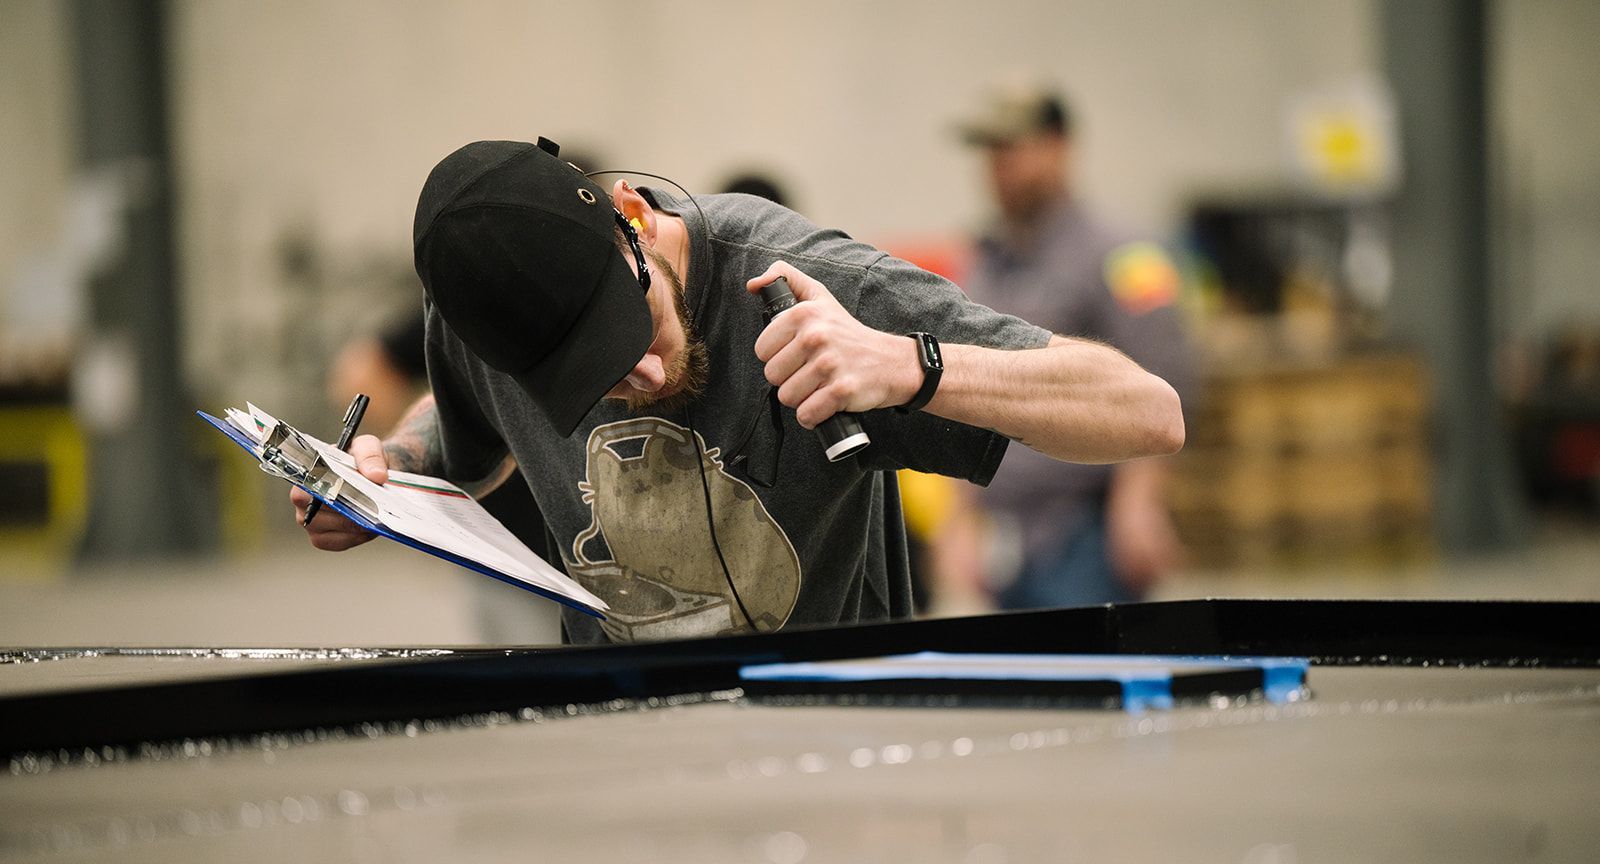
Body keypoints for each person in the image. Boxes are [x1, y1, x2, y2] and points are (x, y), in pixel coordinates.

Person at [293, 137, 1183, 644]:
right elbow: (468, 434)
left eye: (626, 332)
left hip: (828, 765)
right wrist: (388, 475)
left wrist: (911, 366)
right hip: (623, 756)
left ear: (633, 223)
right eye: (582, 377)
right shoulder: (484, 322)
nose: (633, 376)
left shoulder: (805, 282)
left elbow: (1147, 410)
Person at [956, 83, 1197, 607]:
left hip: (1084, 535)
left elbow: (1166, 376)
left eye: (1012, 148)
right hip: (1007, 538)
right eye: (990, 152)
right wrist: (963, 520)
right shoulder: (984, 261)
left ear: (1059, 146)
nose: (999, 166)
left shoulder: (1125, 256)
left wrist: (1140, 501)